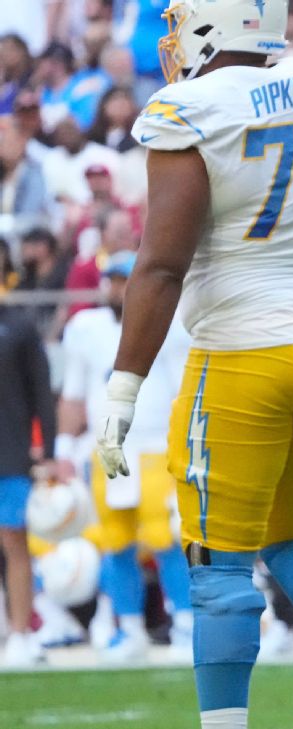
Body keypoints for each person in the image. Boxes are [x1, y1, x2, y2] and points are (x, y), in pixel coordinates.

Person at [92, 2, 293, 728]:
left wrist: (122, 387)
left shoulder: (191, 107)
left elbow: (161, 264)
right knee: (290, 533)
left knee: (218, 567)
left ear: (211, 25)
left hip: (242, 355)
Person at [55, 250, 193, 663]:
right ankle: (128, 627)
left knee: (164, 537)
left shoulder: (168, 322)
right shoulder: (85, 328)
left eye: (125, 280)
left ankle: (184, 623)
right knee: (116, 541)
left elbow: (179, 390)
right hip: (107, 447)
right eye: (113, 280)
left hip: (154, 445)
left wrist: (183, 446)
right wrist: (63, 448)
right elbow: (73, 394)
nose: (118, 289)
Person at [0, 304, 55, 667]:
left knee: (14, 541)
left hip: (10, 451)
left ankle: (21, 632)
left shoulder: (18, 325)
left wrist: (48, 450)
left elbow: (41, 389)